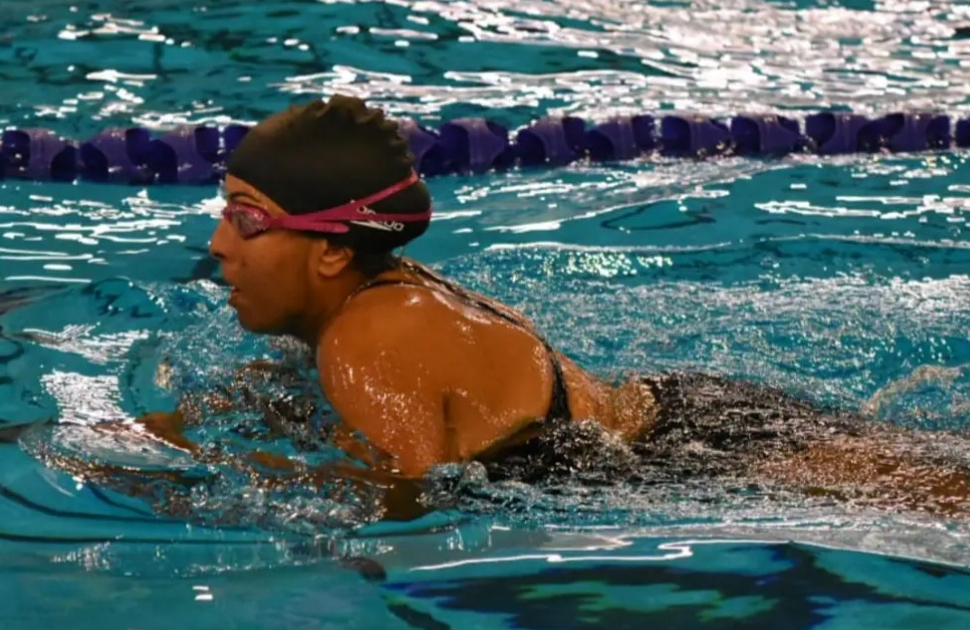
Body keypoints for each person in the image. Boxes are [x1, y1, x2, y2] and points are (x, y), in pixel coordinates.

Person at [19, 94, 970, 521]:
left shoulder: (366, 340)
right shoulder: (380, 304)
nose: (218, 247)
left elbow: (399, 497)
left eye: (247, 220)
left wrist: (189, 485)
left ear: (329, 251)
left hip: (682, 455)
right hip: (682, 413)